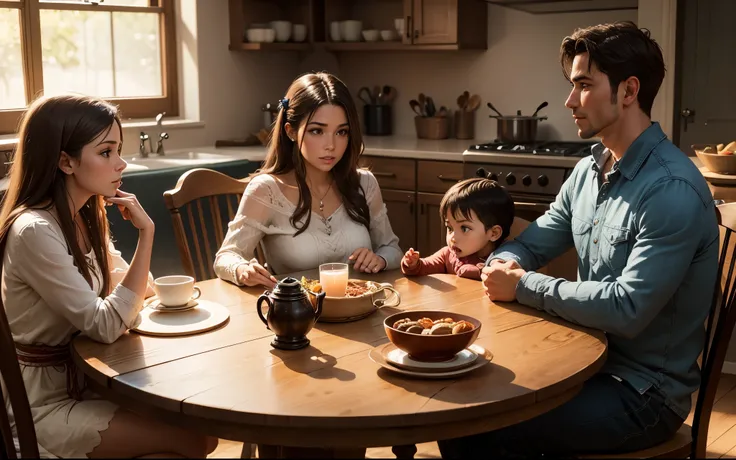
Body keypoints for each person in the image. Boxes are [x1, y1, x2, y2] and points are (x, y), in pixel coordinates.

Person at [439, 21, 720, 458]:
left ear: (628, 91)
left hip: (643, 393)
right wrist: (503, 263)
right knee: (462, 405)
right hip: (584, 362)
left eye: (584, 85)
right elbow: (532, 244)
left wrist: (525, 285)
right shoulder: (589, 172)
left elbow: (627, 308)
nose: (570, 101)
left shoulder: (672, 190)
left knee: (474, 429)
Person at [0, 94, 217, 458]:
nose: (121, 163)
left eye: (119, 150)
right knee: (196, 439)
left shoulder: (84, 216)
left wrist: (127, 292)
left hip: (92, 383)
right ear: (65, 162)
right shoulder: (34, 230)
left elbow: (140, 292)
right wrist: (147, 233)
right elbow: (105, 324)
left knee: (196, 434)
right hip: (42, 405)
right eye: (106, 152)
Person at [214, 72, 402, 289]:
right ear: (291, 131)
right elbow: (226, 257)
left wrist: (380, 259)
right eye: (317, 131)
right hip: (297, 316)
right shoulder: (267, 190)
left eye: (341, 132)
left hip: (359, 310)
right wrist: (242, 270)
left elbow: (392, 249)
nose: (330, 145)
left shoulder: (364, 184)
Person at [401, 177, 514, 280]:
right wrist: (413, 264)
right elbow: (424, 267)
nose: (452, 238)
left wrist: (478, 271)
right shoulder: (448, 254)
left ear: (493, 233)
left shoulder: (505, 257)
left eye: (464, 228)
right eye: (449, 228)